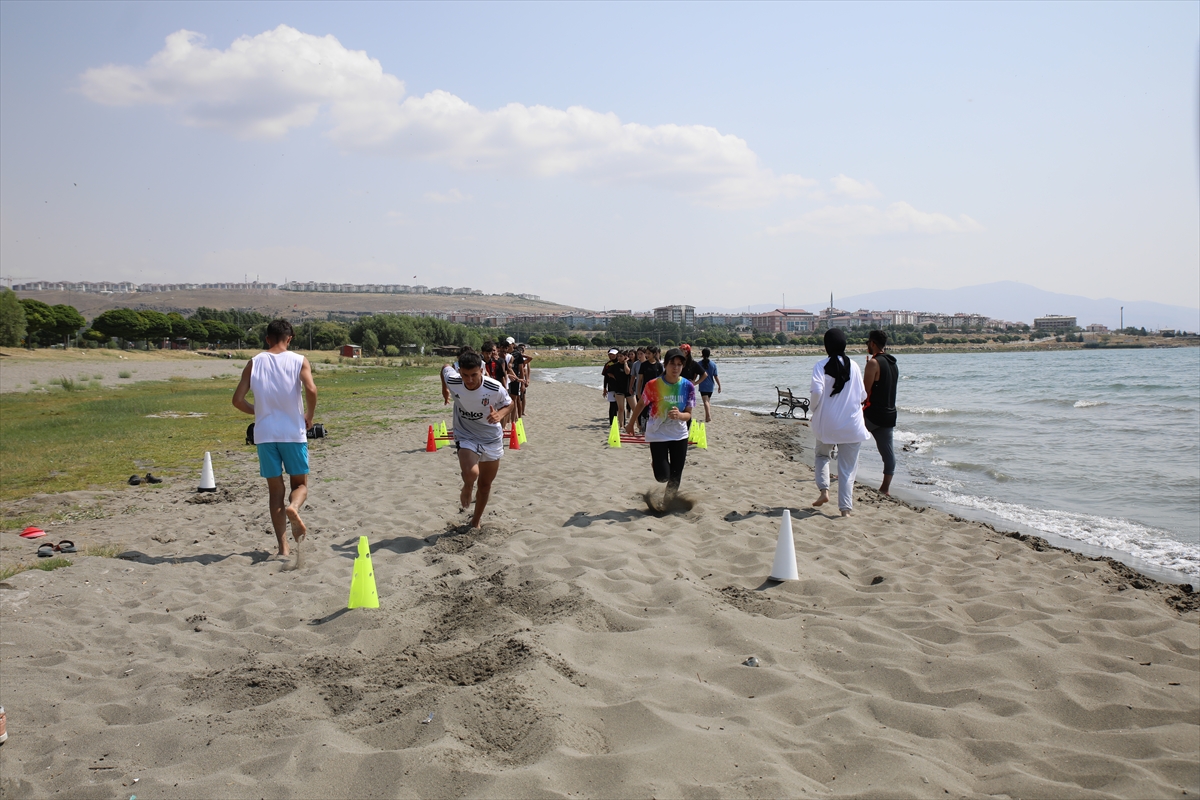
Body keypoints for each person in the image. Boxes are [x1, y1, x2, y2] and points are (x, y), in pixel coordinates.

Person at [232, 319, 318, 556]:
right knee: (299, 484)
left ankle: (283, 548)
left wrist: (258, 411)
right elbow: (311, 389)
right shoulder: (299, 360)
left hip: (265, 434)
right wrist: (309, 414)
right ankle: (294, 507)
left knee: (274, 491)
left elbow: (237, 400)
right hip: (292, 432)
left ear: (267, 338)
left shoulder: (254, 362)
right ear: (289, 339)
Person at [442, 350, 513, 529]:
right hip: (466, 434)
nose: (469, 380)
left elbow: (509, 403)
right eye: (465, 375)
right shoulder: (454, 380)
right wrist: (444, 389)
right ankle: (467, 486)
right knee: (472, 473)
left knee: (485, 485)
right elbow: (444, 368)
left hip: (491, 437)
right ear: (459, 372)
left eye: (474, 374)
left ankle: (476, 521)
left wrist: (500, 414)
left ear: (481, 370)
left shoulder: (494, 387)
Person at [810, 328, 869, 516]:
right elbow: (862, 395)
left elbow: (817, 392)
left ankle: (824, 490)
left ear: (826, 346)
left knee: (822, 456)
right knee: (848, 469)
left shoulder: (820, 366)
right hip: (852, 425)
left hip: (827, 423)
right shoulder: (855, 366)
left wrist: (814, 409)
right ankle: (845, 510)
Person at [626, 347, 696, 503]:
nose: (676, 367)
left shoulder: (688, 386)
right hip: (658, 433)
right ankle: (657, 464)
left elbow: (689, 414)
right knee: (663, 476)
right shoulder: (653, 385)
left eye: (679, 364)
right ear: (666, 365)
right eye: (672, 364)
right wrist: (631, 423)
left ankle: (668, 503)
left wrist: (680, 415)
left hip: (679, 434)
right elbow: (641, 404)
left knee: (676, 474)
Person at [862, 330, 899, 495]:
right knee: (888, 453)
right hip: (889, 414)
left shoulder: (873, 363)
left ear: (872, 343)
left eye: (868, 343)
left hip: (872, 414)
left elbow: (864, 392)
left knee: (847, 437)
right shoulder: (893, 363)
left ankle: (841, 472)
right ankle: (885, 488)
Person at [634, 346, 663, 435]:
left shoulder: (659, 365)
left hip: (656, 392)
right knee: (644, 410)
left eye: (649, 353)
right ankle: (643, 429)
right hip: (645, 391)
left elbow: (662, 380)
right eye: (646, 353)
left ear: (654, 354)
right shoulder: (644, 365)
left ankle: (655, 429)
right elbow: (640, 380)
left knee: (655, 411)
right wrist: (638, 391)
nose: (647, 355)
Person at [601, 348, 630, 427]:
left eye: (613, 355)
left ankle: (622, 423)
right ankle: (612, 423)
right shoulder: (608, 364)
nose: (611, 356)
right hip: (612, 388)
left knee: (621, 407)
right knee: (613, 405)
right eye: (610, 354)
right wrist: (604, 388)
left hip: (623, 388)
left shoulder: (623, 363)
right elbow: (606, 376)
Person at [697, 347, 721, 423]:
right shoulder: (713, 364)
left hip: (703, 385)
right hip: (711, 386)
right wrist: (719, 385)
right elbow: (716, 376)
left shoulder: (699, 364)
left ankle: (708, 416)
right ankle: (707, 416)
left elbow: (695, 374)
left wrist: (694, 382)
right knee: (707, 401)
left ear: (702, 354)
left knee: (705, 401)